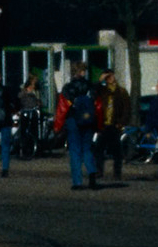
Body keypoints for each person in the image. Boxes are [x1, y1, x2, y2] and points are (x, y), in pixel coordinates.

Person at [53, 60, 100, 190]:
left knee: (75, 151)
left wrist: (57, 126)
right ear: (83, 72)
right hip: (88, 121)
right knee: (87, 149)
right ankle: (92, 174)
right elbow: (98, 106)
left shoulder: (68, 88)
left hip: (73, 120)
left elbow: (62, 108)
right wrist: (98, 123)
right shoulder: (91, 87)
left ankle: (77, 182)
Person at [96, 70, 132, 181]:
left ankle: (117, 173)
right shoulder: (103, 91)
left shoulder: (121, 92)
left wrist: (121, 123)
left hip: (114, 125)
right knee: (99, 149)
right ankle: (99, 171)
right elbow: (94, 91)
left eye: (111, 76)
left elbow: (127, 109)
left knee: (117, 151)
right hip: (104, 125)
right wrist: (100, 80)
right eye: (108, 77)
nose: (110, 79)